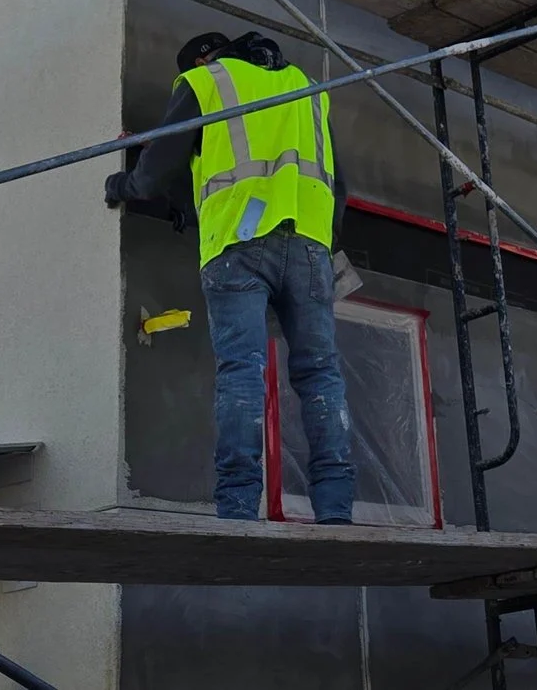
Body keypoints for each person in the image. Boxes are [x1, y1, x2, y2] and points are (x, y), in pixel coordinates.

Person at [107, 30, 355, 523]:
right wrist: (321, 244)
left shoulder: (208, 81)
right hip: (310, 242)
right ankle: (335, 509)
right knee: (321, 375)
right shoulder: (308, 91)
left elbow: (159, 168)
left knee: (242, 371)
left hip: (237, 243)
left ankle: (239, 506)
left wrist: (124, 184)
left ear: (202, 59)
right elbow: (337, 186)